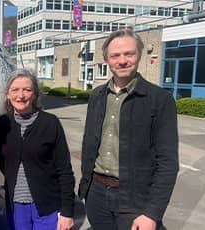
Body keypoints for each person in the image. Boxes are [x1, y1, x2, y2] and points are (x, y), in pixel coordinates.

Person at [78, 28, 179, 230]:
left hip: (135, 199)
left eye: (129, 54)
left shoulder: (159, 100)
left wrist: (152, 213)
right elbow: (89, 144)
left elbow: (167, 163)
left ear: (139, 55)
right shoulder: (97, 96)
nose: (122, 60)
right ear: (106, 59)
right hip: (96, 194)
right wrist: (86, 191)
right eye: (115, 55)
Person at [0, 69, 75, 230]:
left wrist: (67, 211)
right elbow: (2, 161)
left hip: (47, 204)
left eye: (27, 90)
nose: (21, 95)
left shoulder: (50, 123)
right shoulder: (2, 124)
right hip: (16, 205)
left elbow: (64, 170)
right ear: (8, 95)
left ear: (35, 94)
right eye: (15, 90)